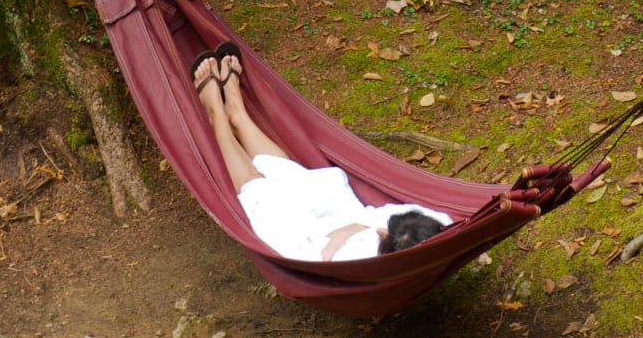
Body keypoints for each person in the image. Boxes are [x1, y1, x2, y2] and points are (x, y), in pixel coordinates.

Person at [193, 46, 451, 262]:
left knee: (261, 191)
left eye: (383, 234)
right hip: (337, 213)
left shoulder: (361, 264)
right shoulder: (433, 231)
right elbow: (418, 218)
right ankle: (237, 113)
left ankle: (215, 112)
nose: (380, 229)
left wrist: (348, 232)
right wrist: (355, 227)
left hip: (299, 237)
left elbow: (318, 255)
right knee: (293, 176)